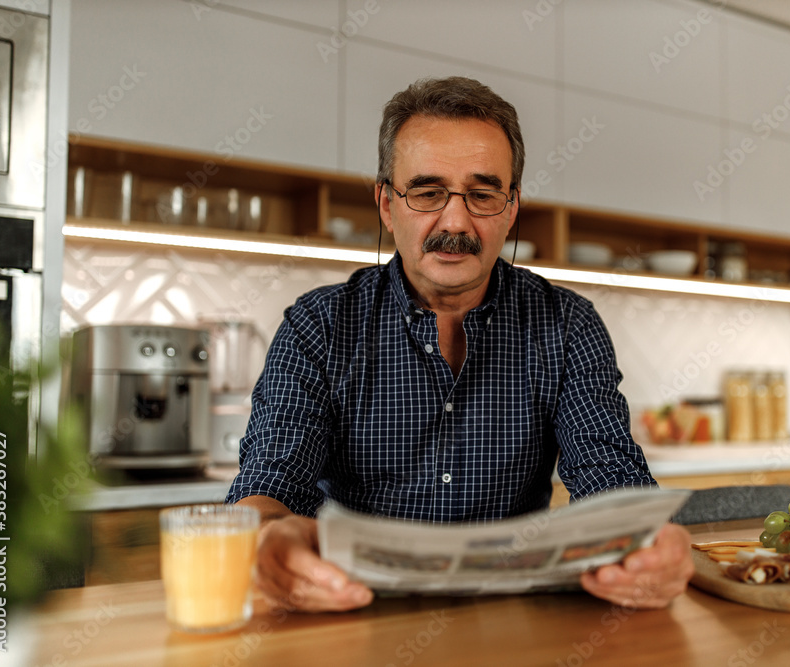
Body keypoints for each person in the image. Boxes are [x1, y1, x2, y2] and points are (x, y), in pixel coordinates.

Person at [227, 76, 693, 612]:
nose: (455, 221)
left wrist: (654, 543)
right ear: (386, 204)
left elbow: (613, 482)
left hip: (517, 621)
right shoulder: (319, 326)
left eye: (482, 194)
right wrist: (265, 536)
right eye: (426, 192)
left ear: (512, 207)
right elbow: (269, 484)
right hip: (348, 611)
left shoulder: (567, 325)